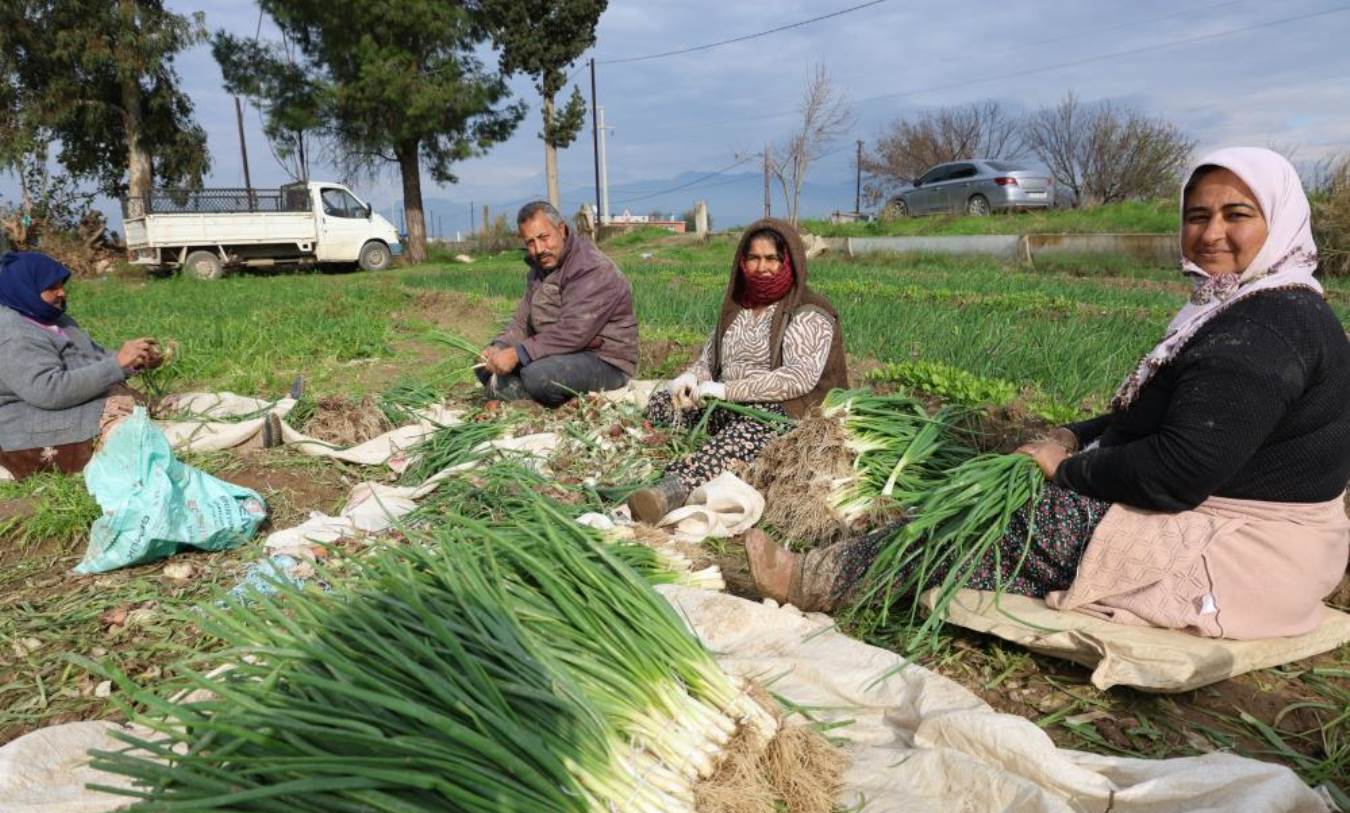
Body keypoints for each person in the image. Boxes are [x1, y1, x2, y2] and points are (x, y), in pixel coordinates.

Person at [748, 147, 1350, 640]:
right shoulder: (1234, 309)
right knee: (996, 487)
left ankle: (825, 579)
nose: (1211, 233)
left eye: (1236, 215)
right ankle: (858, 558)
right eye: (1197, 216)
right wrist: (1072, 436)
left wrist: (1065, 470)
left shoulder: (1270, 328)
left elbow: (1179, 469)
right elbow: (1152, 418)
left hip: (1248, 553)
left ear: (1279, 222)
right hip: (1218, 512)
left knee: (1011, 518)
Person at [628, 218, 848, 524]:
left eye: (772, 258)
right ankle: (713, 444)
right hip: (729, 405)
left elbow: (798, 378)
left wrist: (730, 390)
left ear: (790, 261)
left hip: (783, 413)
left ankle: (671, 490)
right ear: (742, 262)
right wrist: (693, 378)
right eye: (753, 258)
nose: (762, 267)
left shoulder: (809, 311)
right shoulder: (737, 309)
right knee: (663, 402)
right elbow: (709, 360)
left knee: (745, 434)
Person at [0, 251, 163, 480]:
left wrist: (134, 361)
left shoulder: (56, 319)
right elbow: (48, 391)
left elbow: (95, 357)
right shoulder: (14, 335)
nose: (61, 292)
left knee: (157, 413)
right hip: (34, 427)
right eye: (52, 288)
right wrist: (117, 364)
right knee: (144, 439)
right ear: (25, 290)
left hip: (81, 405)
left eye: (61, 285)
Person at [478, 201, 637, 407]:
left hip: (604, 361)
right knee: (483, 366)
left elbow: (574, 332)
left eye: (544, 238)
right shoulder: (539, 269)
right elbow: (522, 322)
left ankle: (525, 397)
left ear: (561, 229)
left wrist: (519, 353)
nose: (538, 249)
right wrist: (499, 346)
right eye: (530, 242)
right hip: (559, 354)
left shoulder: (590, 267)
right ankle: (522, 394)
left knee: (536, 376)